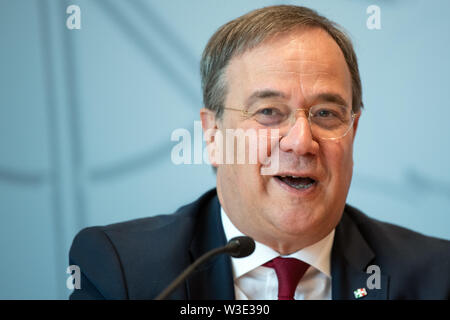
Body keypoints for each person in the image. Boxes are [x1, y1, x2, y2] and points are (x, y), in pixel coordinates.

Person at [69, 5, 450, 300]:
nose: (301, 142)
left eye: (326, 114)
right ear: (213, 135)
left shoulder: (435, 275)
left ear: (353, 131)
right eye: (269, 112)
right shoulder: (124, 270)